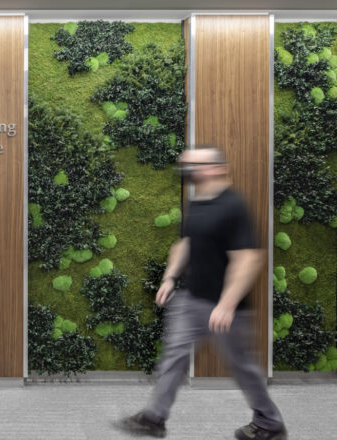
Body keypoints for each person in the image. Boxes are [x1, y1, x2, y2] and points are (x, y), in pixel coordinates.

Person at [117, 146, 287, 439]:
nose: (186, 169)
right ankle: (154, 418)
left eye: (194, 164)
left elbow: (248, 257)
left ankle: (270, 422)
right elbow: (185, 244)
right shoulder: (196, 203)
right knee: (173, 356)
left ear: (217, 168)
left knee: (242, 366)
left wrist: (227, 303)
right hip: (191, 298)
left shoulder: (234, 206)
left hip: (226, 306)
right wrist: (170, 278)